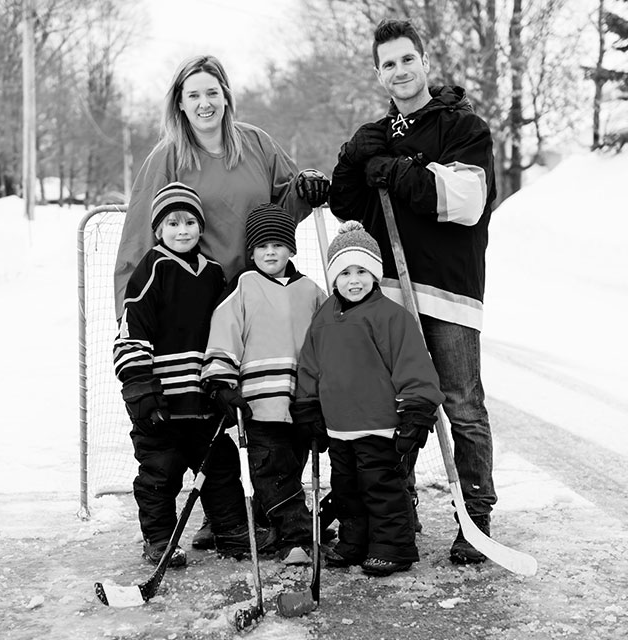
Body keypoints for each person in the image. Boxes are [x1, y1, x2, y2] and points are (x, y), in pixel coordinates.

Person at [328, 18, 498, 565]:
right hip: (392, 293)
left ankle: (476, 514)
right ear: (378, 74)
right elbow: (347, 206)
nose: (399, 71)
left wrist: (400, 172)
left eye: (406, 59)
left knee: (461, 405)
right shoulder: (379, 134)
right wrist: (355, 159)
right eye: (388, 64)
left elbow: (466, 199)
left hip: (448, 290)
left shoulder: (462, 126)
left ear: (424, 61)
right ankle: (395, 512)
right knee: (394, 404)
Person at [113, 182, 275, 566]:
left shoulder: (215, 274)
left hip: (203, 400)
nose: (182, 230)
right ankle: (160, 540)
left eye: (189, 222)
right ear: (158, 230)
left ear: (201, 227)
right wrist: (141, 392)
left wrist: (223, 382)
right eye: (172, 223)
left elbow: (226, 332)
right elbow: (132, 331)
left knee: (220, 470)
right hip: (162, 404)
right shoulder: (151, 270)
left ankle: (232, 530)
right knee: (159, 475)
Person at [113, 54, 329, 323]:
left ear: (226, 97)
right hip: (194, 299)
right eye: (193, 95)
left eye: (212, 92)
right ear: (180, 103)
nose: (205, 103)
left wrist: (306, 186)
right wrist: (128, 315)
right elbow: (138, 240)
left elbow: (284, 211)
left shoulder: (256, 143)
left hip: (258, 290)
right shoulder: (166, 158)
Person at [292, 221, 444, 577]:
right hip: (340, 428)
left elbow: (415, 367)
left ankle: (393, 547)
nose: (354, 280)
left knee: (381, 488)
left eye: (362, 271)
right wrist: (308, 406)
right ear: (333, 278)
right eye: (344, 272)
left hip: (380, 426)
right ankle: (354, 542)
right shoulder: (323, 317)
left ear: (376, 275)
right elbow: (310, 367)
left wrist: (417, 411)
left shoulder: (392, 317)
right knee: (347, 490)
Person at [201, 203, 327, 565]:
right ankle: (297, 538)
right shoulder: (243, 287)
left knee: (291, 467)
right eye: (261, 246)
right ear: (251, 251)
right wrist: (221, 384)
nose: (269, 252)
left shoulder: (312, 291)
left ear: (291, 249)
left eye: (277, 245)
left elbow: (327, 343)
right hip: (258, 405)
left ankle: (273, 522)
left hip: (301, 403)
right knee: (272, 469)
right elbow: (224, 337)